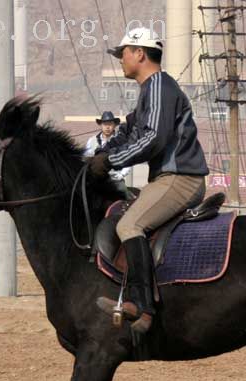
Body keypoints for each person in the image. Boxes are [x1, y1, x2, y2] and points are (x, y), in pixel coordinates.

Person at [88, 27, 209, 334]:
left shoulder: (159, 87)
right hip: (166, 179)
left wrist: (110, 161)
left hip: (180, 178)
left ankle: (142, 305)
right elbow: (129, 134)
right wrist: (95, 158)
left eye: (123, 54)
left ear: (139, 54)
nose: (120, 60)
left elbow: (153, 140)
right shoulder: (150, 91)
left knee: (129, 225)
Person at [83, 111, 132, 199]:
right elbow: (87, 159)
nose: (107, 127)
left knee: (124, 194)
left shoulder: (121, 140)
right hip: (96, 179)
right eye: (105, 124)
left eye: (110, 124)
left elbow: (128, 160)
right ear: (101, 125)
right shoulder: (91, 141)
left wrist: (122, 174)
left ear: (114, 125)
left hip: (115, 180)